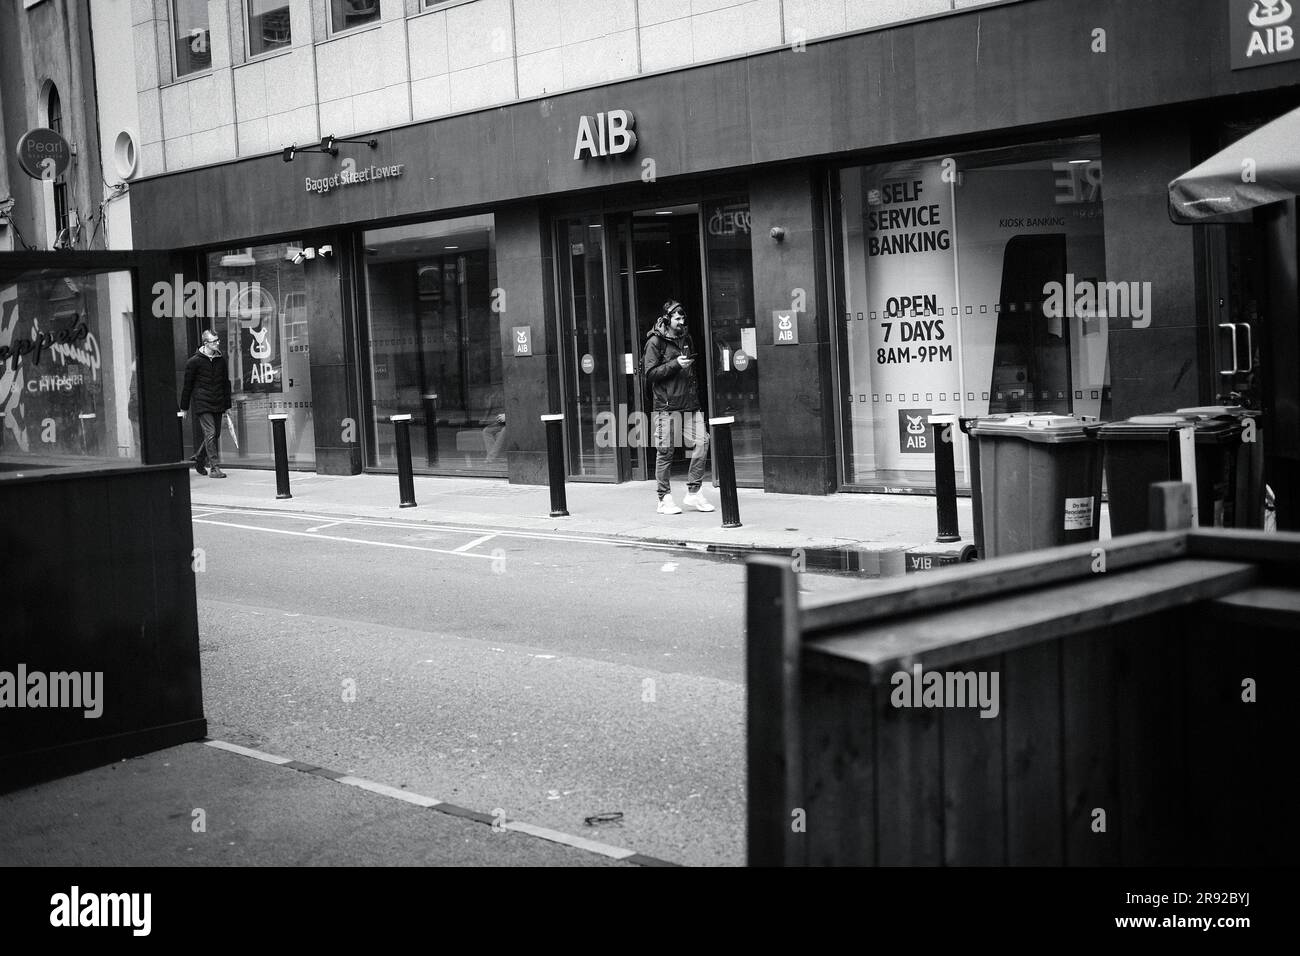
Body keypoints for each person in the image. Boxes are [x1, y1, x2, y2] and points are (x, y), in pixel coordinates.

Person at [643, 299, 714, 515]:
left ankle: (694, 492)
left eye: (683, 318)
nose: (681, 322)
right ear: (667, 319)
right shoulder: (655, 342)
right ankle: (663, 498)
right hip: (666, 406)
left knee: (702, 442)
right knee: (666, 452)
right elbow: (650, 374)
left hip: (689, 403)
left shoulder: (686, 337)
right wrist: (675, 365)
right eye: (677, 318)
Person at [180, 329, 232, 478]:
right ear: (206, 343)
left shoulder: (221, 360)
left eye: (218, 340)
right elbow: (187, 385)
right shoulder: (194, 362)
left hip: (218, 401)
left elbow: (225, 383)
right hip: (202, 402)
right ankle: (215, 468)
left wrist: (227, 406)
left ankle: (199, 458)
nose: (217, 343)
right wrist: (184, 407)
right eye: (214, 341)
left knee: (215, 434)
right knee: (210, 433)